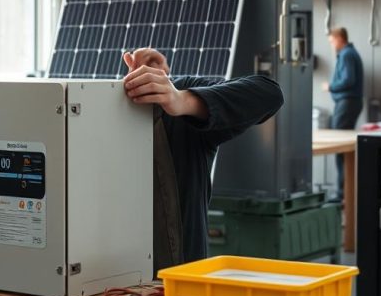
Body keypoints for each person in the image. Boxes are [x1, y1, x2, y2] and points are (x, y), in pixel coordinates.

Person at [121, 48, 284, 272]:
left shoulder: (180, 112)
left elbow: (269, 94)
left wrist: (183, 101)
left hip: (178, 284)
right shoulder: (86, 113)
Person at [321, 27, 364, 199]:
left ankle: (342, 194)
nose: (331, 45)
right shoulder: (350, 53)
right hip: (347, 103)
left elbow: (348, 79)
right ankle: (345, 192)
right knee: (343, 149)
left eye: (332, 41)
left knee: (341, 148)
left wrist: (330, 86)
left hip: (347, 102)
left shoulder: (346, 54)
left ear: (339, 38)